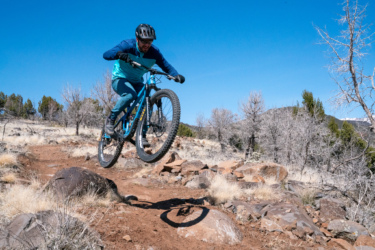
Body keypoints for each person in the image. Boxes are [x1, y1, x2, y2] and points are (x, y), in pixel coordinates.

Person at [103, 24, 185, 146]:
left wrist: (176, 75)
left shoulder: (154, 53)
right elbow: (106, 54)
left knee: (148, 102)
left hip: (137, 81)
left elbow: (166, 65)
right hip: (120, 79)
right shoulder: (128, 45)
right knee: (130, 95)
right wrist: (119, 54)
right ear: (137, 39)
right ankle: (110, 119)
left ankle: (142, 134)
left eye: (150, 42)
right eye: (144, 41)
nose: (147, 45)